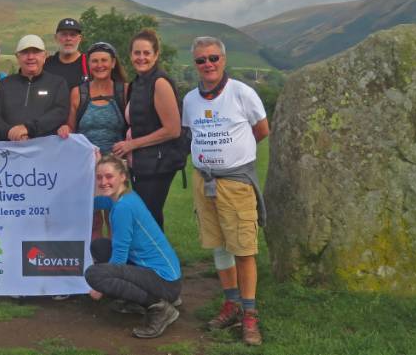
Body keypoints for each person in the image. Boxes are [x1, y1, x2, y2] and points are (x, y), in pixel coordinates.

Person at [182, 36, 269, 347]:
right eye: (201, 60)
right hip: (203, 181)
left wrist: (234, 157)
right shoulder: (190, 99)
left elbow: (261, 130)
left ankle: (249, 314)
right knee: (219, 245)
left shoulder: (242, 93)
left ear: (223, 60)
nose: (208, 64)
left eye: (213, 58)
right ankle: (230, 304)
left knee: (243, 248)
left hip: (235, 182)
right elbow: (192, 132)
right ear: (195, 64)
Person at [85, 155, 182, 339]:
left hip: (165, 281)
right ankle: (138, 300)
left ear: (123, 176)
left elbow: (120, 257)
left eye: (109, 176)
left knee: (94, 274)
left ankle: (159, 307)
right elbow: (94, 203)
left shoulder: (123, 207)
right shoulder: (123, 197)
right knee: (100, 246)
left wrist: (101, 287)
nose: (103, 181)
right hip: (163, 276)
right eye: (99, 177)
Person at [111, 29, 185, 229]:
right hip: (142, 164)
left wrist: (131, 144)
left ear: (156, 55)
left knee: (148, 221)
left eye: (146, 53)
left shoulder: (159, 82)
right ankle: (149, 260)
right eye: (137, 53)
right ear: (130, 55)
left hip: (158, 164)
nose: (141, 57)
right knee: (145, 220)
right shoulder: (138, 83)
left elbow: (173, 129)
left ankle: (156, 260)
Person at [58, 41, 128, 242]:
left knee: (116, 217)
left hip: (117, 164)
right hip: (88, 166)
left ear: (113, 63)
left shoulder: (124, 90)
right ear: (88, 64)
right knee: (93, 220)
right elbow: (71, 127)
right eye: (95, 61)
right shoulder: (79, 92)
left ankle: (117, 263)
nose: (100, 65)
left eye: (104, 60)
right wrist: (65, 129)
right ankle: (96, 262)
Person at [0, 34, 69, 141]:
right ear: (17, 57)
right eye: (25, 52)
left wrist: (28, 128)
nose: (30, 57)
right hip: (10, 148)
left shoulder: (58, 83)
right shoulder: (5, 84)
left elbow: (60, 113)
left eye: (36, 52)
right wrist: (9, 132)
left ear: (45, 56)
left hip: (47, 149)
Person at [44, 17, 88, 89]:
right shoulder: (46, 64)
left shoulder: (89, 64)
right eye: (64, 34)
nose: (68, 39)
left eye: (73, 35)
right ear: (56, 37)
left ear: (80, 38)